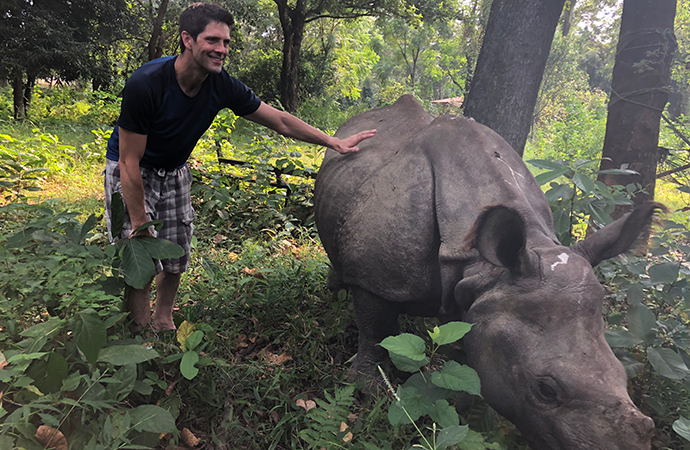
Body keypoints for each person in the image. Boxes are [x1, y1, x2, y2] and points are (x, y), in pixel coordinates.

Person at [104, 2, 376, 332]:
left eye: (227, 43)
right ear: (187, 39)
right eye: (213, 41)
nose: (221, 50)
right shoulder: (146, 84)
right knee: (141, 253)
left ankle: (163, 317)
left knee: (176, 250)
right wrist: (139, 222)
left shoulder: (221, 85)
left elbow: (280, 121)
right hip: (134, 169)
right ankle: (138, 332)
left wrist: (333, 142)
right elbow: (130, 161)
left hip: (175, 169)